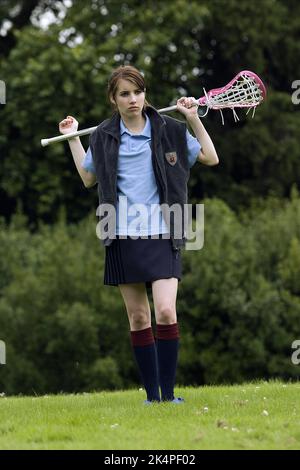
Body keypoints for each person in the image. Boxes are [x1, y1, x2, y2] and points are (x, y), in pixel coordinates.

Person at [59, 65, 218, 404]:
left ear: (145, 94)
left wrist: (193, 118)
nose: (133, 100)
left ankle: (169, 396)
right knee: (138, 316)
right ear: (113, 99)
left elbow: (210, 157)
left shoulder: (169, 128)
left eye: (138, 92)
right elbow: (89, 179)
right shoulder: (102, 135)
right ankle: (152, 397)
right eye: (125, 94)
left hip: (164, 230)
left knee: (164, 311)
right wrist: (73, 137)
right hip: (121, 233)